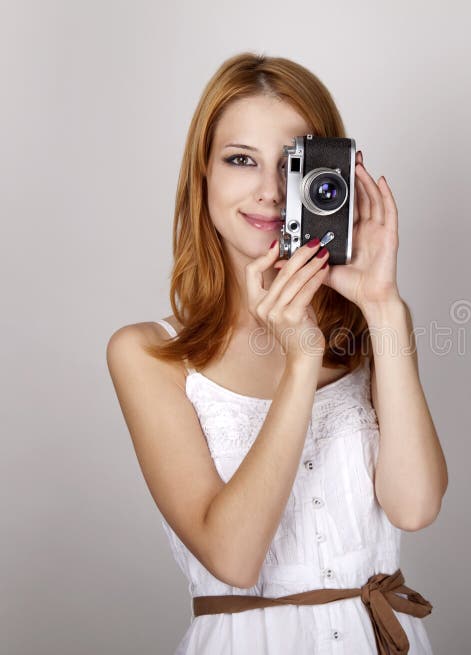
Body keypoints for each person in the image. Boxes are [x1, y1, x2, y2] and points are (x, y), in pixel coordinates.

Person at [105, 53, 448, 654]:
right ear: (203, 176)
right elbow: (233, 556)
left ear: (331, 178)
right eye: (241, 160)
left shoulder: (374, 326)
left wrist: (386, 305)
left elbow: (415, 506)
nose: (268, 190)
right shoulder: (148, 354)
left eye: (293, 164)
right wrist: (300, 362)